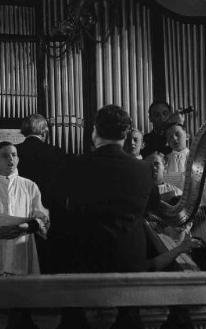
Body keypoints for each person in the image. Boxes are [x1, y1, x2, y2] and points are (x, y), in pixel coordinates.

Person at [58, 104, 159, 273]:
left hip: (85, 258)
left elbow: (58, 210)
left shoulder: (74, 165)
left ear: (95, 131)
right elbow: (153, 206)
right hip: (130, 258)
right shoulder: (144, 169)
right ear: (125, 134)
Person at [0, 141, 49, 276]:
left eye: (14, 155)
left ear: (18, 159)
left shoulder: (30, 186)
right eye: (5, 156)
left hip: (22, 245)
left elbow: (42, 219)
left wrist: (26, 226)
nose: (10, 159)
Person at [15, 114, 67, 274]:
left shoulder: (14, 152)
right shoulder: (57, 153)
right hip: (50, 216)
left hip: (20, 216)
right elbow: (63, 190)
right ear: (44, 132)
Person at [164, 123, 189, 190]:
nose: (174, 138)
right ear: (167, 142)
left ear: (187, 136)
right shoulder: (164, 161)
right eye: (170, 137)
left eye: (177, 134)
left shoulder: (196, 157)